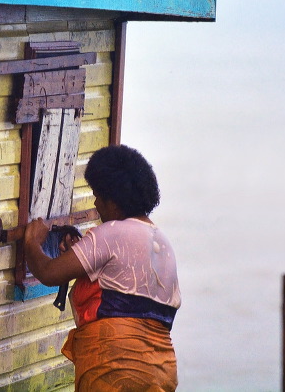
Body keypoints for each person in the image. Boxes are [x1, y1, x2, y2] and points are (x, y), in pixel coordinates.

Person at [24, 145, 181, 391]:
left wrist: (32, 241)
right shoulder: (162, 241)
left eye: (99, 196)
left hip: (115, 366)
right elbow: (124, 290)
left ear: (115, 201)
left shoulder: (112, 232)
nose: (96, 203)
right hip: (161, 370)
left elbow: (48, 273)